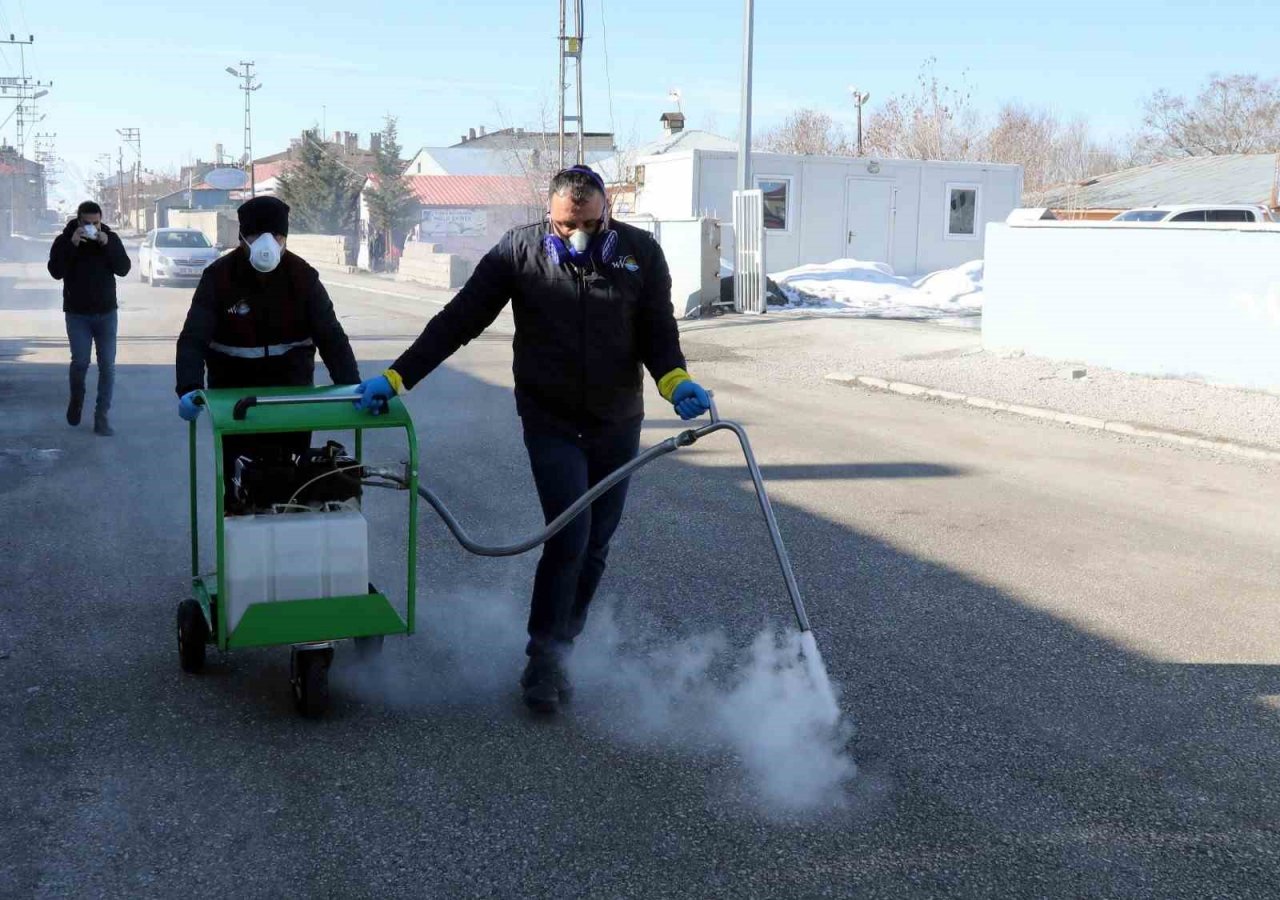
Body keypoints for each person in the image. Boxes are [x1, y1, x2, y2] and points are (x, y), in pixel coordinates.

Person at [353, 165, 711, 713]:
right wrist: (399, 375)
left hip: (618, 419)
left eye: (589, 224)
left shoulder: (640, 254)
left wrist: (675, 381)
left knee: (596, 544)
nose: (578, 236)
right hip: (551, 419)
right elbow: (459, 319)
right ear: (550, 214)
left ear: (607, 213)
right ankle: (543, 661)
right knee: (570, 534)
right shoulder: (517, 253)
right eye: (566, 225)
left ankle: (563, 645)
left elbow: (658, 332)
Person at [174, 196, 361, 505]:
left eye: (275, 236)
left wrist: (351, 385)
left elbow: (331, 337)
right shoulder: (219, 277)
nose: (267, 244)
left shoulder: (302, 276)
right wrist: (189, 386)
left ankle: (290, 527)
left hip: (291, 400)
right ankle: (237, 516)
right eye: (256, 235)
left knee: (292, 484)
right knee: (241, 485)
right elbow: (193, 338)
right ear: (242, 238)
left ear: (285, 238)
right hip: (234, 404)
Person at [47, 201, 131, 436]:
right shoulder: (64, 240)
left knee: (107, 366)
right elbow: (55, 272)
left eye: (96, 223)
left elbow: (124, 268)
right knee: (80, 362)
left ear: (101, 220)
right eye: (87, 223)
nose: (92, 227)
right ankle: (77, 400)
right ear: (78, 221)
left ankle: (101, 416)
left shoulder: (110, 239)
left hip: (106, 313)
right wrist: (72, 244)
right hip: (77, 315)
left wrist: (107, 245)